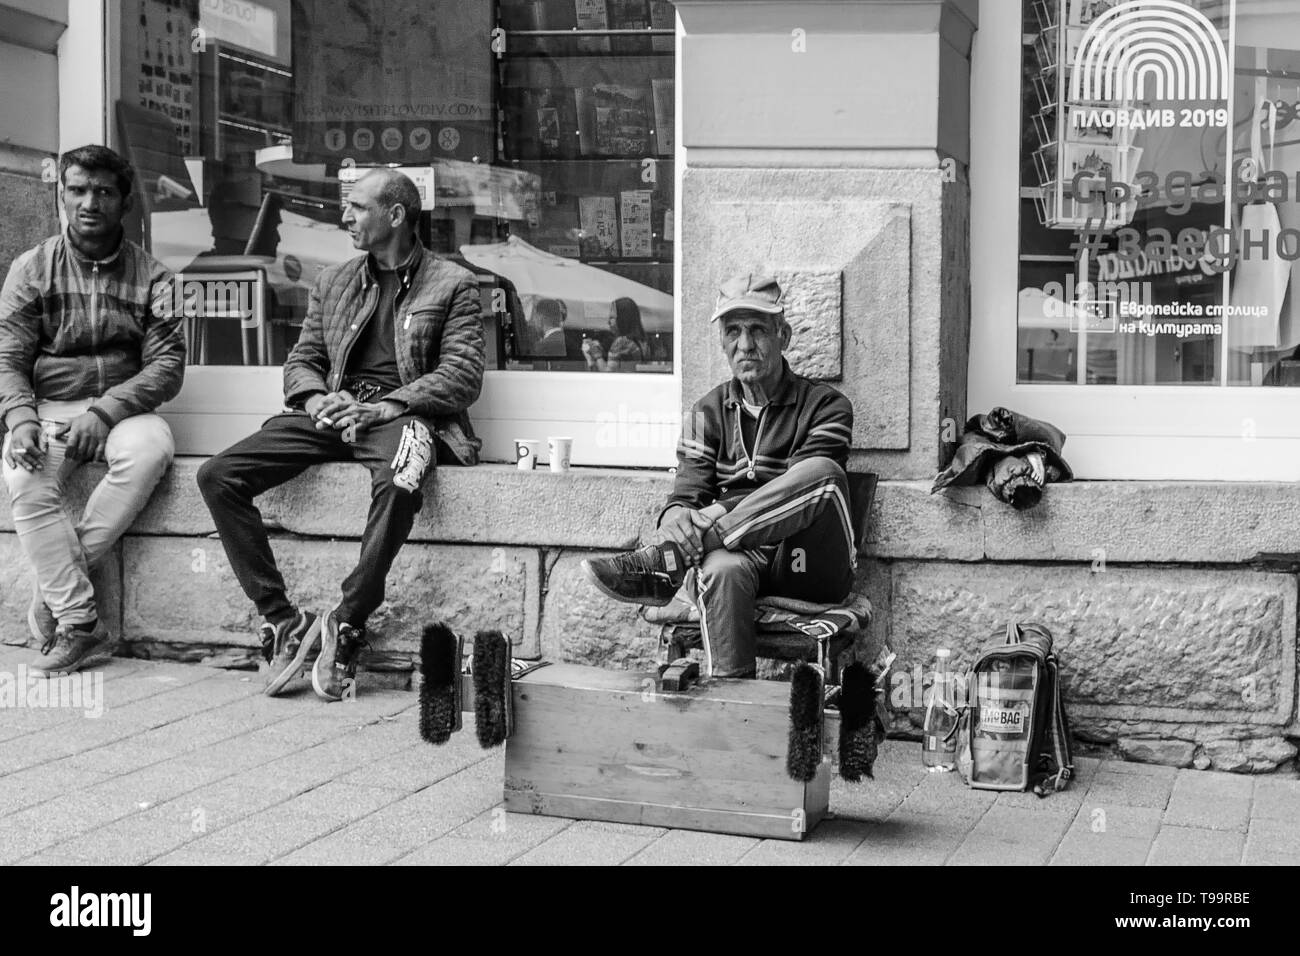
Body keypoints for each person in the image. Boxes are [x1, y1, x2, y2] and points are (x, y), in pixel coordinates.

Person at [197, 168, 485, 702]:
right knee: (217, 475)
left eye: (356, 206)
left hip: (401, 418)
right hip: (333, 413)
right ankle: (283, 620)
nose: (344, 216)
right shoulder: (334, 281)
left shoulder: (453, 283)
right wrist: (315, 400)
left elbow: (461, 376)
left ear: (395, 215)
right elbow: (302, 361)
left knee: (402, 474)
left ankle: (348, 623)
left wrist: (386, 408)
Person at [582, 273, 855, 678]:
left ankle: (665, 564)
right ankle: (732, 707)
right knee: (720, 569)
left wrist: (709, 520)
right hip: (737, 562)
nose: (745, 345)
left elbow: (807, 485)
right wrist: (676, 520)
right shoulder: (702, 414)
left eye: (758, 330)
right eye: (733, 332)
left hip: (807, 566)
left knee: (824, 473)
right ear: (721, 341)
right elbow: (684, 499)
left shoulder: (828, 405)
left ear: (785, 335)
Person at [0, 144, 185, 674]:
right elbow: (8, 356)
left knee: (150, 451)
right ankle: (82, 622)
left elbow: (167, 368)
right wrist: (21, 418)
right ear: (62, 196)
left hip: (123, 414)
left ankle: (55, 596)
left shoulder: (159, 278)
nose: (89, 203)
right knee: (22, 473)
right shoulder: (30, 269)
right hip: (49, 410)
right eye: (77, 190)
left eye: (103, 192)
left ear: (124, 202)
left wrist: (104, 413)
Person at [582, 296, 647, 371]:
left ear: (622, 319)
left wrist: (596, 353)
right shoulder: (641, 340)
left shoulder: (622, 342)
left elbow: (608, 375)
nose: (608, 322)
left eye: (612, 318)